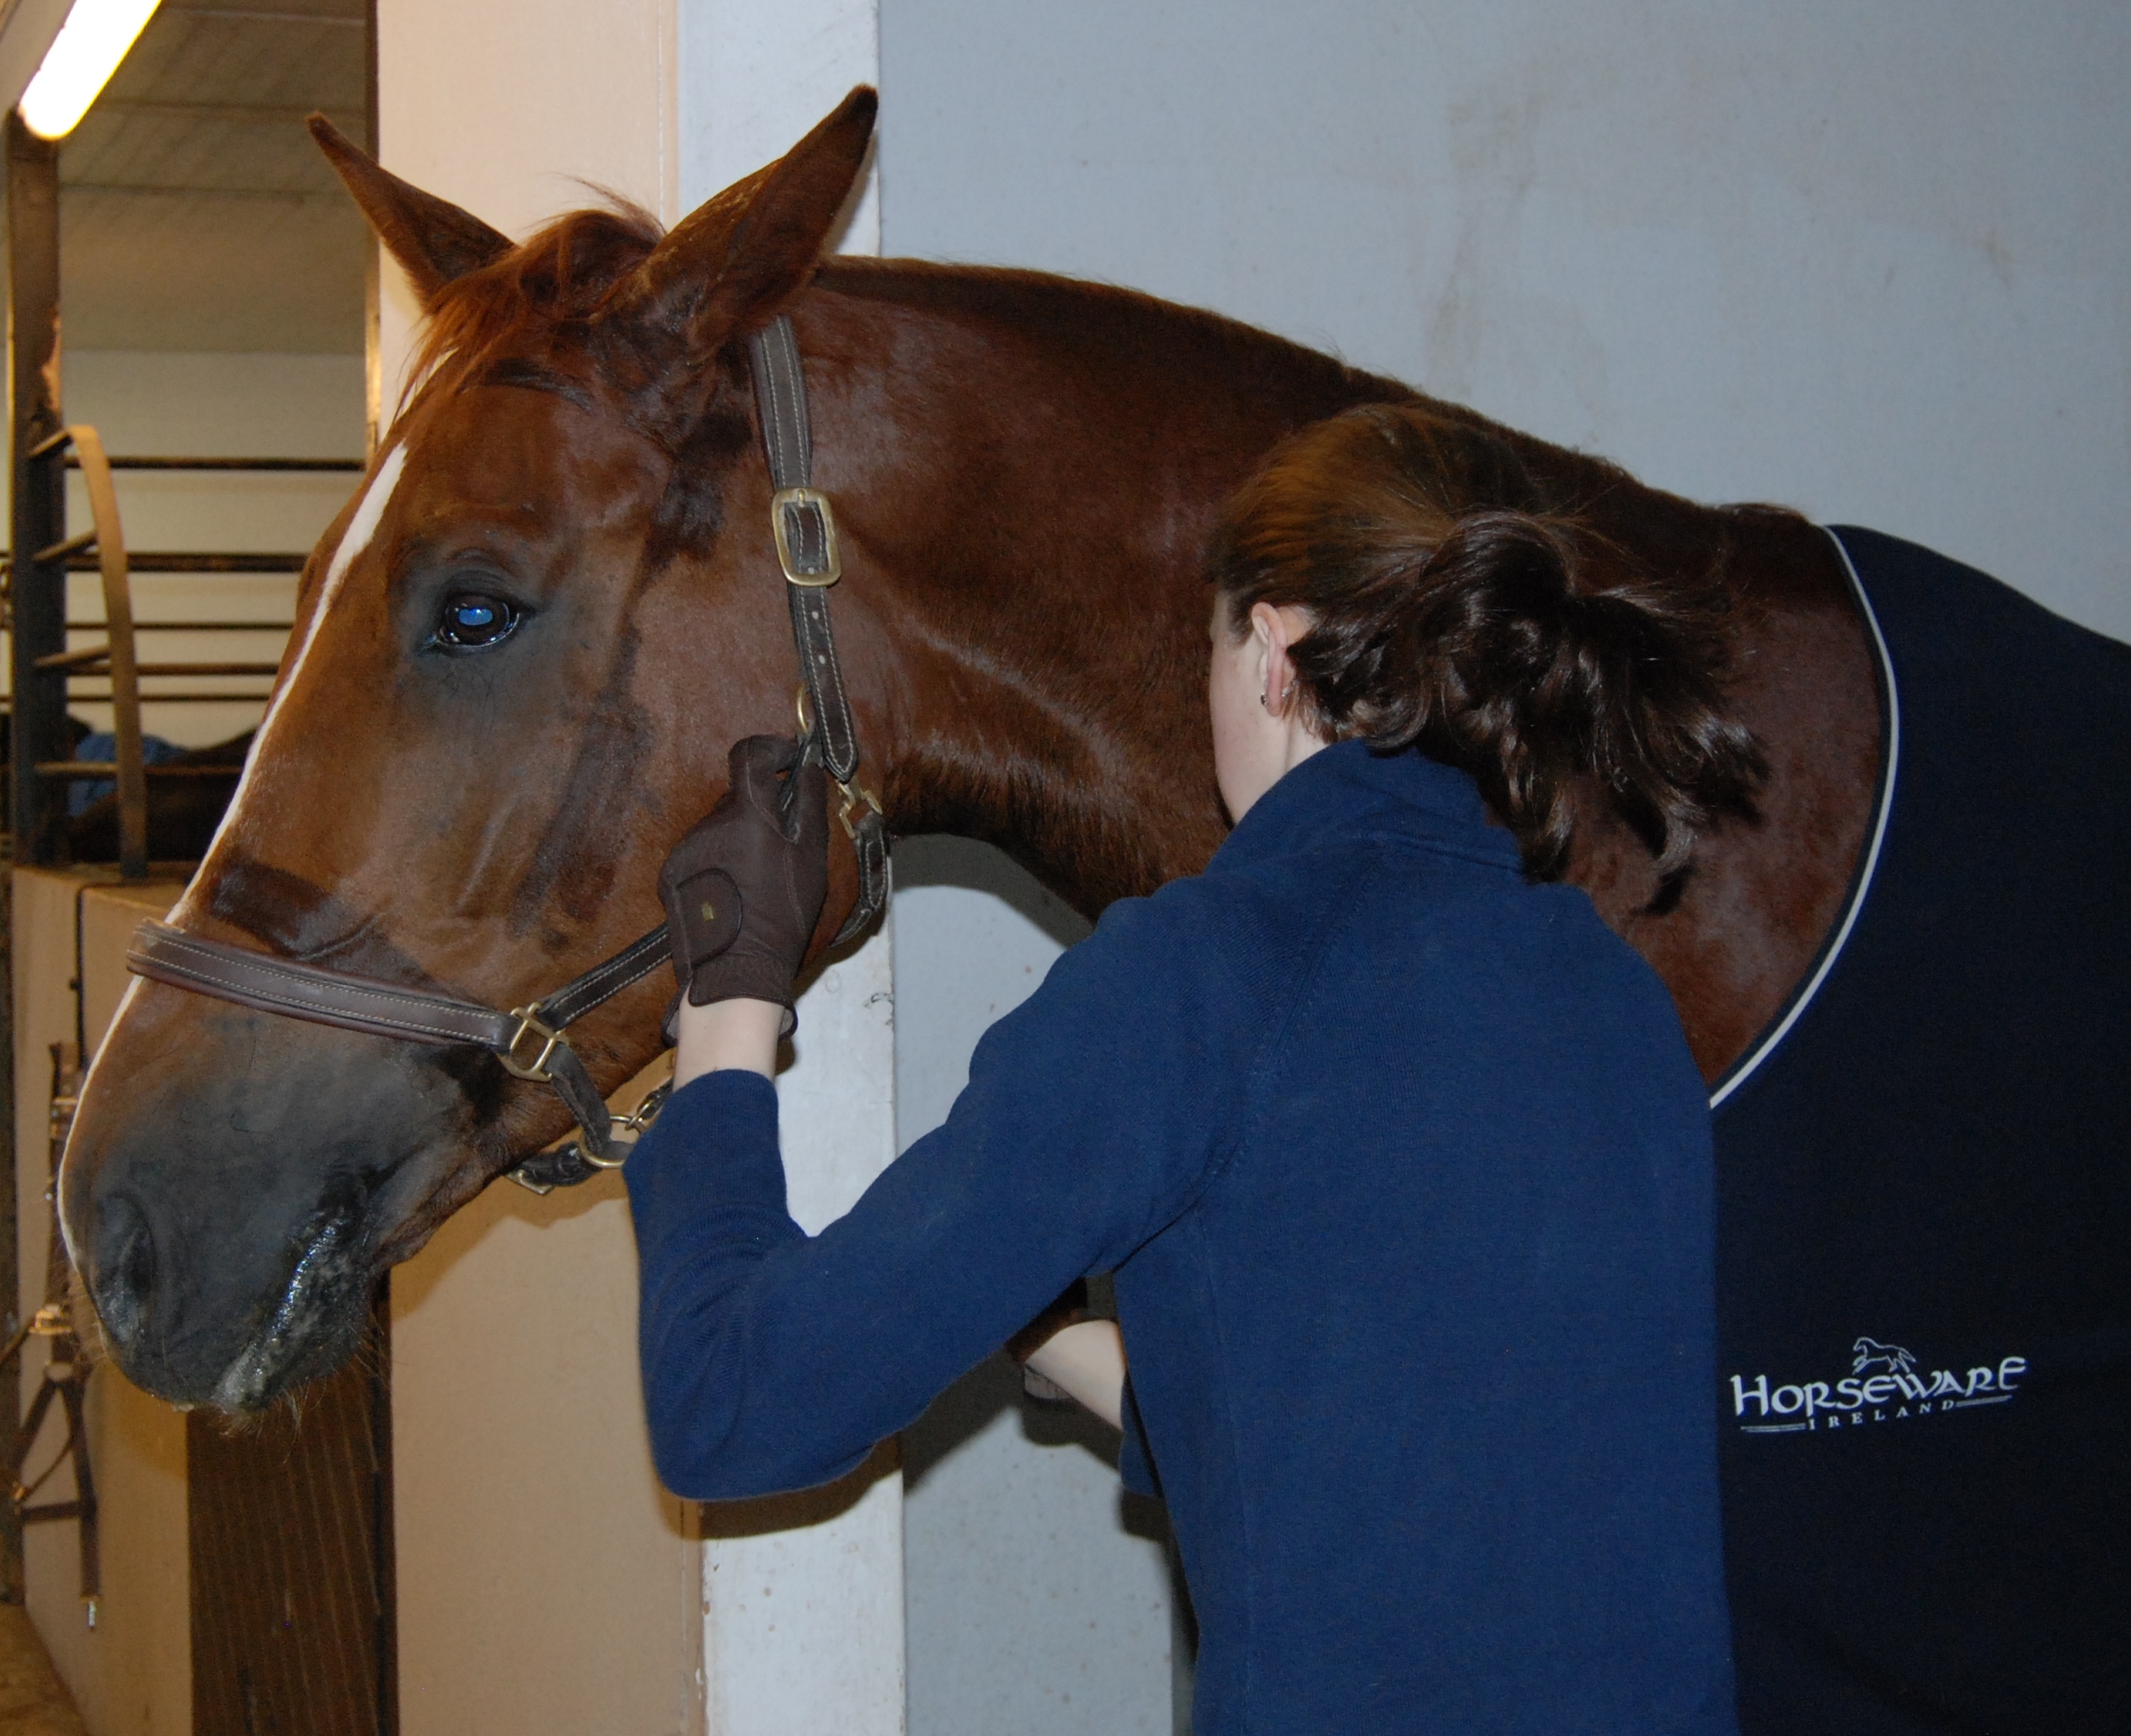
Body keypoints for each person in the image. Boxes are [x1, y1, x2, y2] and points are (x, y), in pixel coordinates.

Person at [626, 403, 1756, 1733]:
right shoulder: (1615, 993)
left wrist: (731, 1001)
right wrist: (1043, 1335)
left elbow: (731, 1404)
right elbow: (1379, 1446)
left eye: (1210, 652)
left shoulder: (1206, 974)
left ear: (1271, 653)